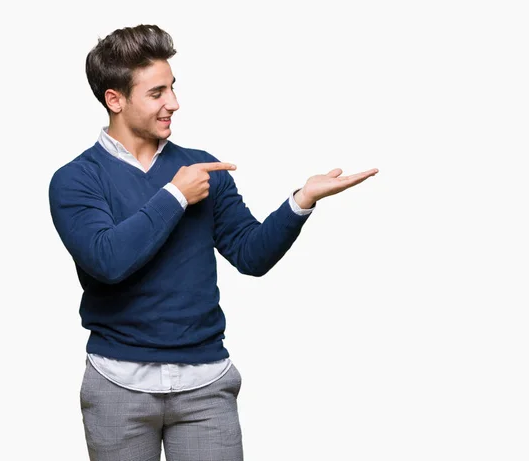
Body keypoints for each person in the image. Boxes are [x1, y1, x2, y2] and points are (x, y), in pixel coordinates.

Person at [48, 23, 378, 461]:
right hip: (116, 385)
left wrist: (301, 201)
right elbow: (107, 260)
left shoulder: (202, 168)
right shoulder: (75, 179)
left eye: (173, 88)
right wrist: (175, 196)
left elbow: (250, 254)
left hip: (205, 385)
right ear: (115, 99)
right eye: (157, 93)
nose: (174, 103)